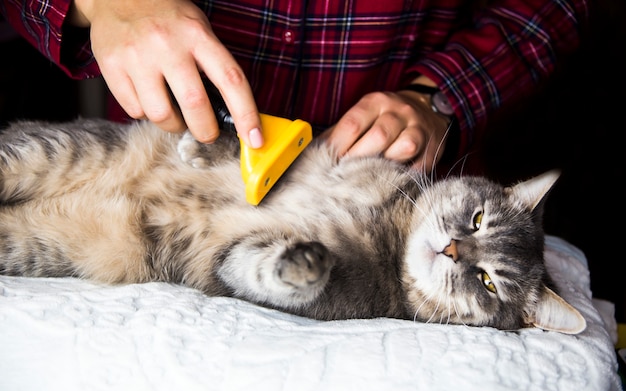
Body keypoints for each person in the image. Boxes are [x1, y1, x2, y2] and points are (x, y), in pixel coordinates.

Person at [0, 0, 589, 174]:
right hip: (158, 184)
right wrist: (102, 3)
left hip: (397, 185)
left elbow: (552, 7)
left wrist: (436, 95)